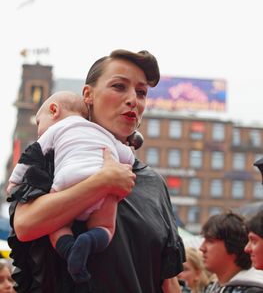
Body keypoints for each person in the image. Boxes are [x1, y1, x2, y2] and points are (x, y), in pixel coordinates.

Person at [8, 49, 185, 293]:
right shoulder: (51, 158)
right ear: (88, 95)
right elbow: (26, 226)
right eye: (119, 86)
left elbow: (168, 281)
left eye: (141, 92)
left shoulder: (153, 183)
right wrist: (102, 183)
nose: (133, 99)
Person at [7, 90, 135, 283]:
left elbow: (29, 157)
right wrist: (124, 168)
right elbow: (128, 157)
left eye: (39, 123)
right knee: (106, 227)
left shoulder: (55, 130)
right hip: (105, 180)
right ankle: (89, 241)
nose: (39, 130)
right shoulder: (104, 134)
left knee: (58, 226)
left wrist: (14, 182)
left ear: (54, 110)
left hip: (67, 179)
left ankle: (69, 250)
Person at [199, 211, 263, 293]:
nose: (202, 248)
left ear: (232, 244)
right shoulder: (212, 287)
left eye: (210, 241)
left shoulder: (253, 289)